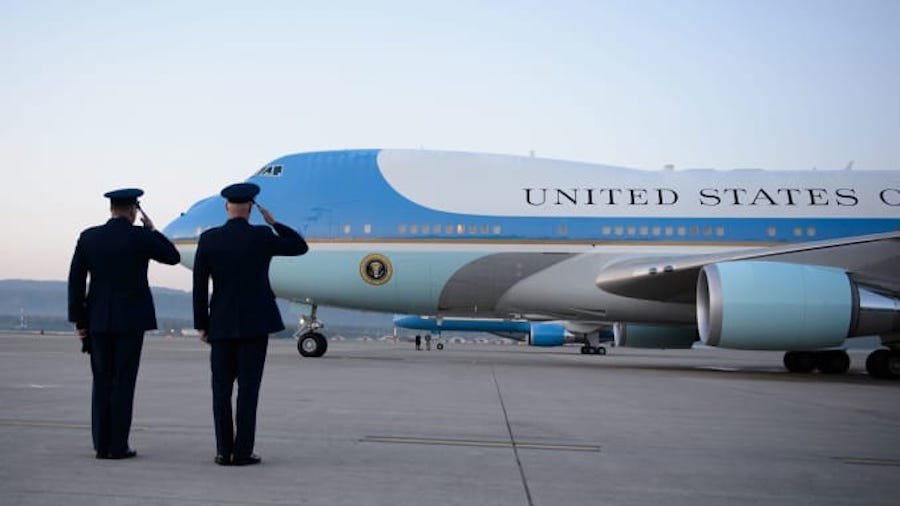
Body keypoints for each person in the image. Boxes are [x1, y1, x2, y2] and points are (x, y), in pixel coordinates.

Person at [193, 182, 308, 466]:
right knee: (248, 389)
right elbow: (299, 247)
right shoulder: (262, 235)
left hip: (220, 323)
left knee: (220, 390)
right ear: (251, 209)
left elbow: (198, 287)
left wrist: (201, 324)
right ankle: (243, 452)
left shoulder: (209, 239)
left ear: (226, 207)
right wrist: (275, 222)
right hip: (255, 324)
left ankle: (223, 451)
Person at [68, 188, 180, 460]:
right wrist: (152, 229)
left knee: (102, 382)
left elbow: (76, 283)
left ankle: (101, 444)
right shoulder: (141, 237)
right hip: (130, 321)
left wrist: (80, 321)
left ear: (111, 209)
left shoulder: (89, 237)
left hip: (98, 321)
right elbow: (172, 257)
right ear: (133, 211)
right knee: (123, 383)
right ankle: (118, 445)